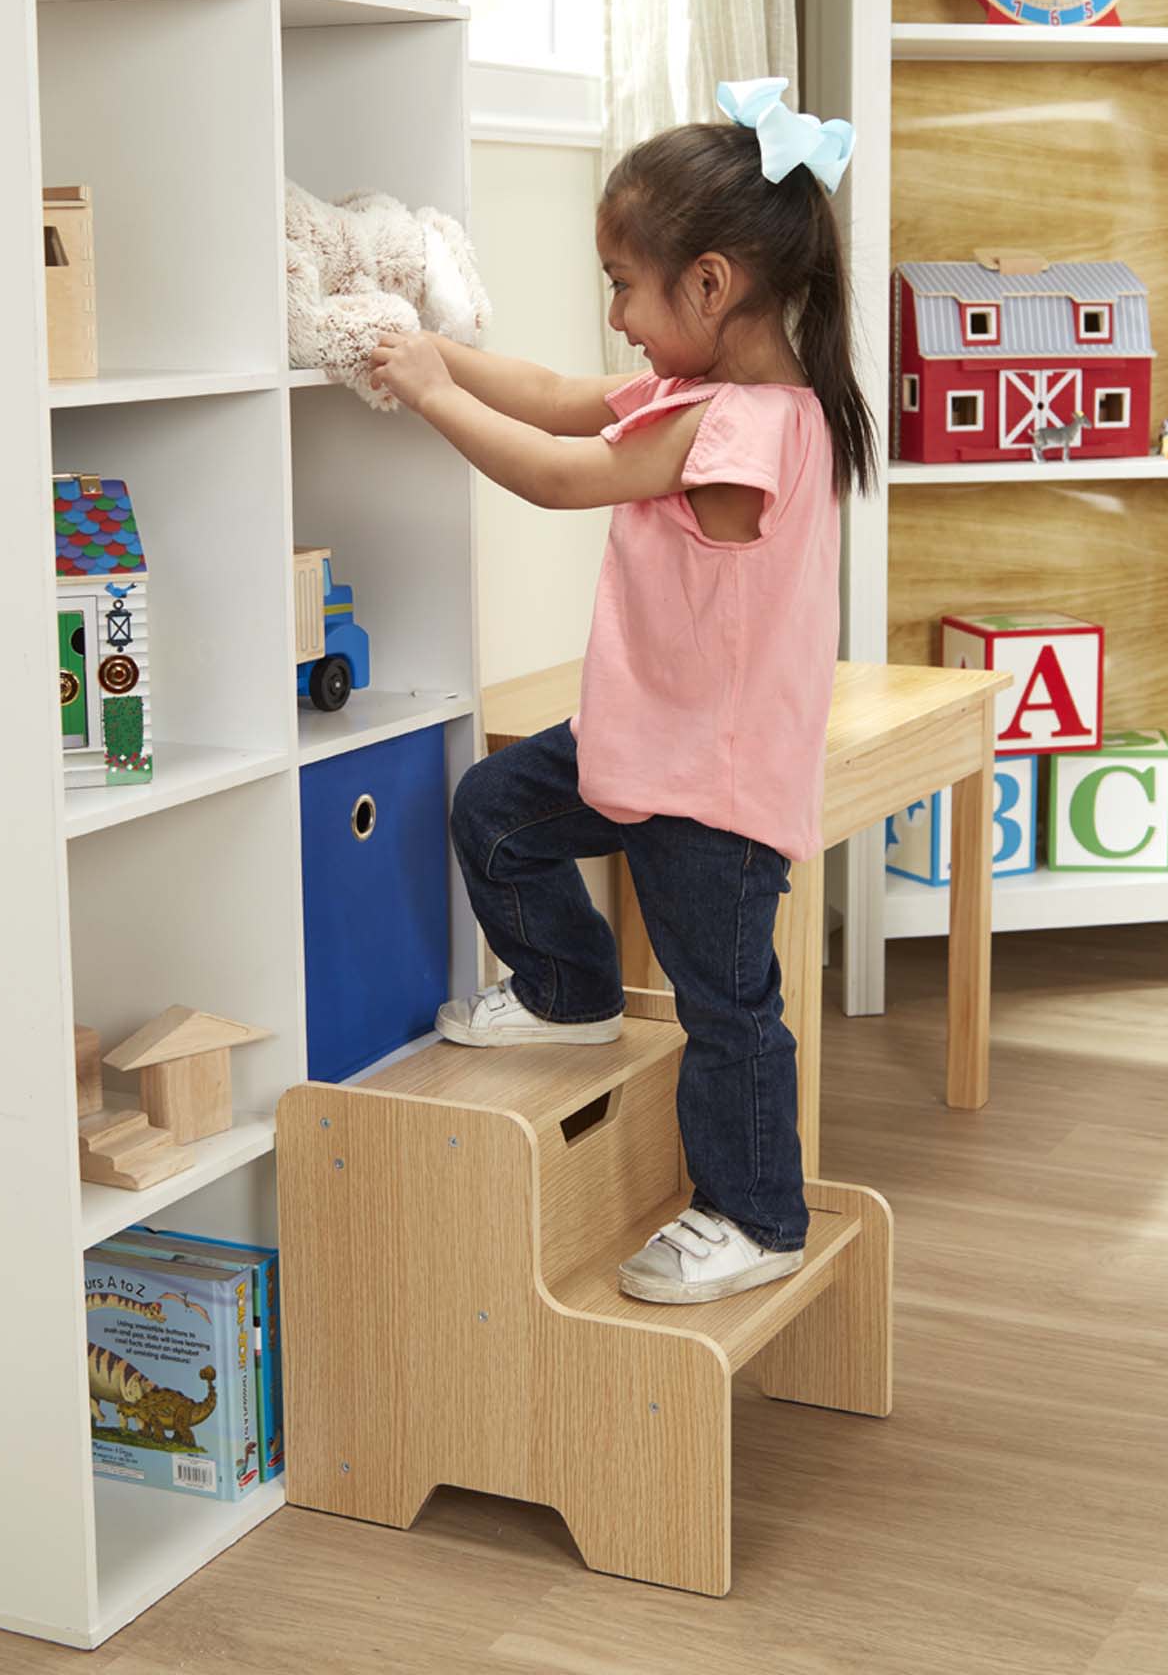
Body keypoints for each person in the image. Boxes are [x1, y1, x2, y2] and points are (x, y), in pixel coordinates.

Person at [367, 78, 874, 1304]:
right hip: (643, 745)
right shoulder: (696, 396)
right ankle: (569, 988)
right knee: (496, 809)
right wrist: (444, 353)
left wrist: (429, 395)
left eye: (624, 285)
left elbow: (553, 472)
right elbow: (551, 396)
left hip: (711, 791)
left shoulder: (746, 428)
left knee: (727, 1009)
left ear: (707, 284)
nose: (616, 317)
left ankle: (756, 1215)